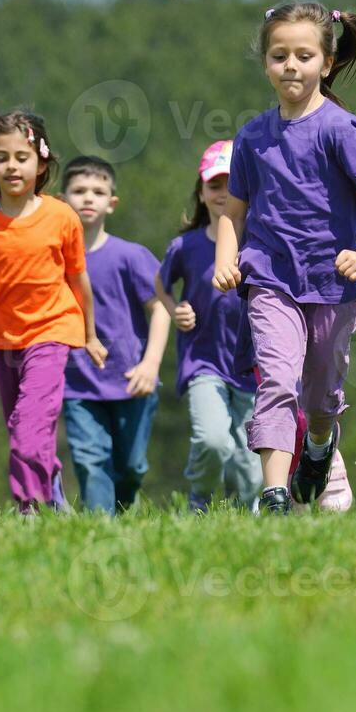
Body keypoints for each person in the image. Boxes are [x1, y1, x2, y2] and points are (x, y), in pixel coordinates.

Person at [213, 0, 356, 515]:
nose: (290, 66)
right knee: (275, 378)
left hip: (334, 281)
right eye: (279, 56)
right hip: (270, 275)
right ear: (266, 63)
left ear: (326, 62)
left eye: (303, 55)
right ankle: (273, 491)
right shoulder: (251, 136)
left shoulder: (338, 129)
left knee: (321, 392)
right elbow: (234, 210)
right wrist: (225, 259)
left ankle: (319, 443)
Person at [0, 110, 106, 514]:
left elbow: (78, 280)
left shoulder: (61, 216)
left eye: (22, 157)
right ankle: (50, 486)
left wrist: (90, 335)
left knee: (29, 427)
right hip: (2, 337)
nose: (12, 166)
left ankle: (28, 508)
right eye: (2, 157)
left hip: (52, 332)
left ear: (42, 162)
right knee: (21, 424)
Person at [155, 140, 263, 512]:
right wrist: (174, 309)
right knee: (214, 439)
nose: (223, 194)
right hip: (204, 363)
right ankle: (200, 497)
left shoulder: (259, 242)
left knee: (253, 461)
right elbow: (161, 284)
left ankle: (252, 517)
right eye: (215, 185)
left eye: (232, 185)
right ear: (201, 192)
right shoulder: (186, 247)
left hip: (253, 366)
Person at [59, 156, 170, 514]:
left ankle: (122, 518)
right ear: (62, 200)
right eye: (78, 191)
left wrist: (150, 365)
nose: (88, 198)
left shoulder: (132, 256)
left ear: (112, 202)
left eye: (98, 191)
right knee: (92, 463)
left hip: (131, 380)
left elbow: (161, 309)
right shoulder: (53, 260)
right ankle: (98, 532)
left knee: (132, 467)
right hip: (76, 384)